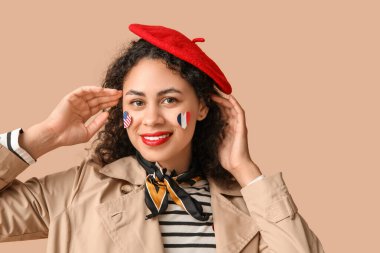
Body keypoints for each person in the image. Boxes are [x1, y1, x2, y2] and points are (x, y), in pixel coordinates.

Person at [0, 24, 325, 253]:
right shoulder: (78, 191)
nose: (151, 119)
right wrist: (45, 136)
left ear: (202, 107)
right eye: (137, 103)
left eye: (169, 100)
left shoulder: (249, 202)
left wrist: (245, 171)